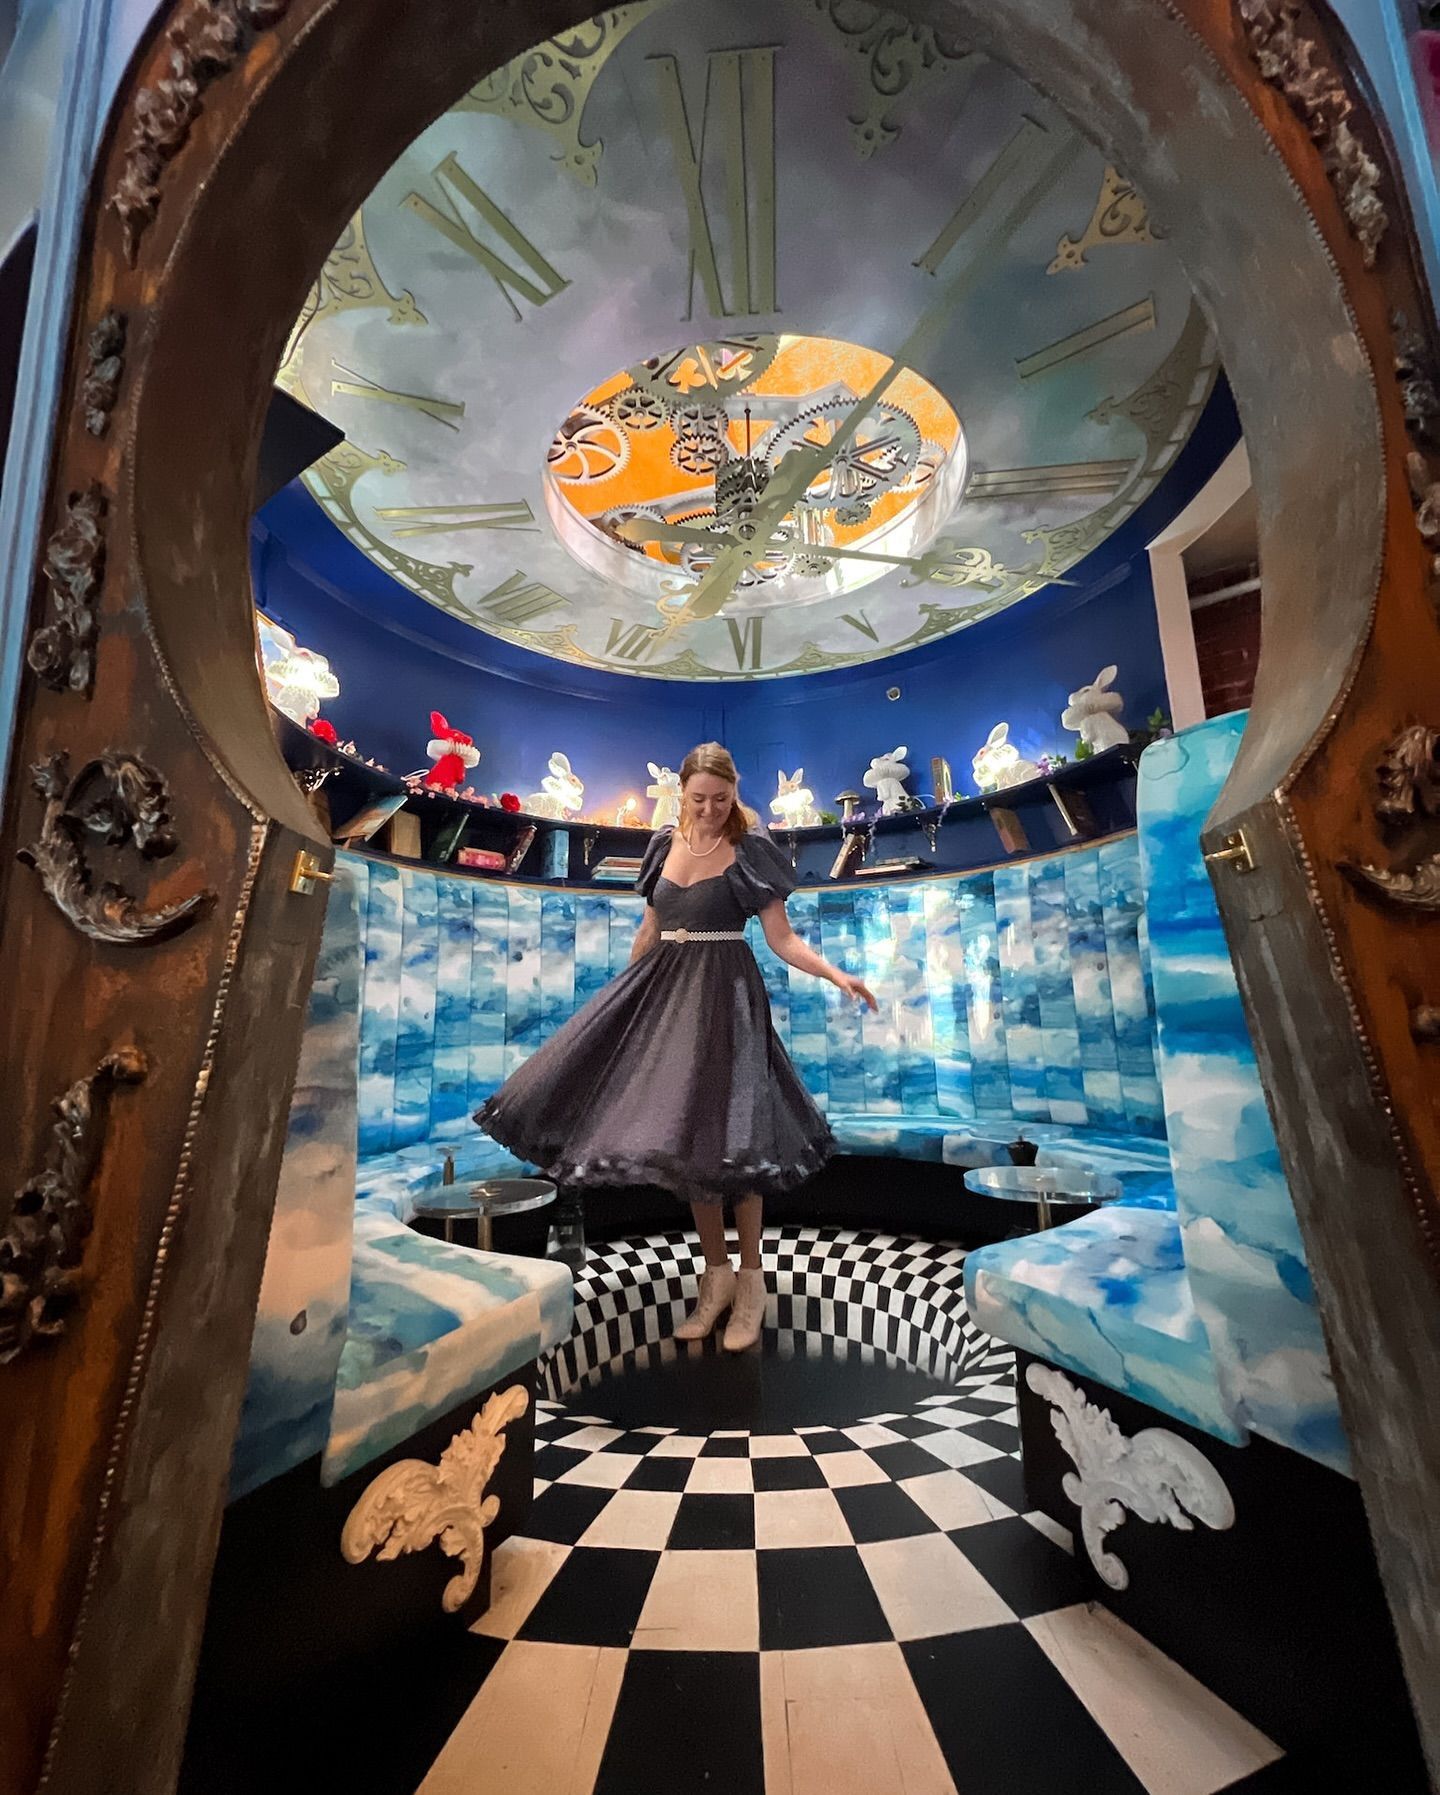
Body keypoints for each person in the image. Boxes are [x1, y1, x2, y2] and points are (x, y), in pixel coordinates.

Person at [476, 742, 877, 1351]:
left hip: (726, 996)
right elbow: (649, 930)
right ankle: (712, 1280)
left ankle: (749, 1286)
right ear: (681, 794)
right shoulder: (663, 846)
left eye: (723, 799)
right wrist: (624, 1009)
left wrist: (834, 973)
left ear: (734, 794)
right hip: (666, 991)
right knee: (688, 1140)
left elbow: (782, 938)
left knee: (733, 1137)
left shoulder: (750, 851)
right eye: (700, 799)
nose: (712, 810)